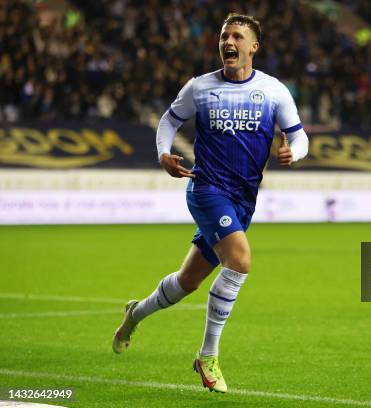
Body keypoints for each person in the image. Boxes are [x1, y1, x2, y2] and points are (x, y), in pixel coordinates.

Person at [112, 13, 309, 394]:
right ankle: (207, 355)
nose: (228, 42)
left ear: (254, 47)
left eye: (237, 36)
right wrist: (163, 154)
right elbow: (168, 121)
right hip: (206, 189)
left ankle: (134, 314)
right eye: (224, 36)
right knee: (240, 260)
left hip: (243, 201)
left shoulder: (273, 91)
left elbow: (299, 137)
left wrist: (293, 154)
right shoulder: (200, 88)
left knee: (187, 282)